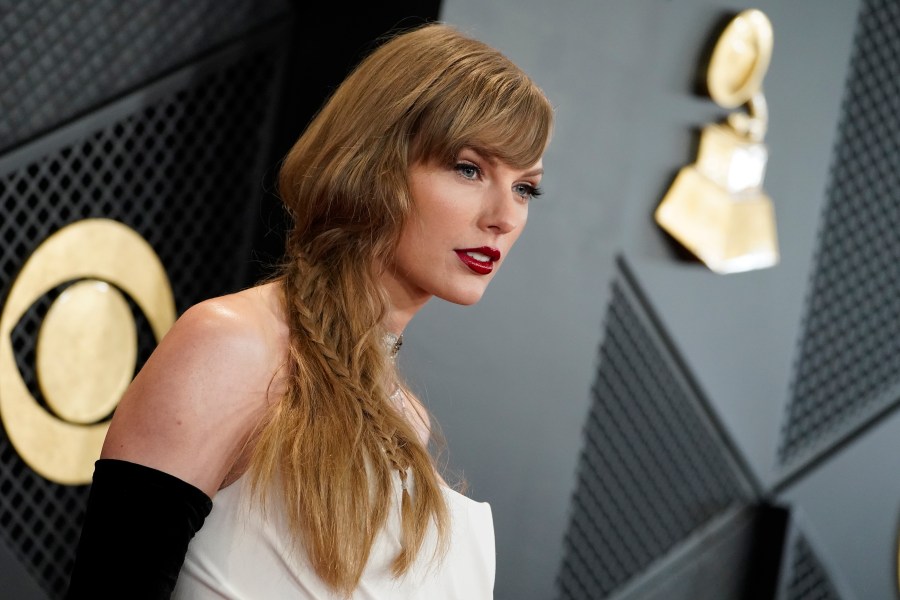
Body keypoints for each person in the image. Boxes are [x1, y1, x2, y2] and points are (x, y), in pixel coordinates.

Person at [66, 22, 552, 599]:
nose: (504, 217)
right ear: (375, 163)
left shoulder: (407, 420)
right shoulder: (234, 345)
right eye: (469, 169)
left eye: (525, 188)